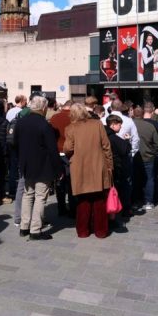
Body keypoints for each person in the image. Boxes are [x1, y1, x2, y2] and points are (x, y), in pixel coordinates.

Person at [14, 95, 62, 240]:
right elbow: (52, 149)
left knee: (28, 195)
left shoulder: (21, 122)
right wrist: (58, 169)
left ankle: (24, 226)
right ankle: (35, 229)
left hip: (26, 164)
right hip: (42, 165)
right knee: (40, 197)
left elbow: (15, 144)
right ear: (43, 108)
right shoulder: (44, 125)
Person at [63, 104, 112, 238]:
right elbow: (106, 146)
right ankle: (101, 231)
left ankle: (83, 231)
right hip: (98, 166)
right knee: (99, 200)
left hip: (80, 167)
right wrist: (110, 166)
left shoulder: (70, 128)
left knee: (83, 201)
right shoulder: (97, 124)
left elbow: (67, 148)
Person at [49, 100, 74, 217]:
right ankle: (73, 206)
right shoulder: (73, 118)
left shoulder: (54, 117)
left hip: (57, 153)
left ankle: (61, 207)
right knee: (71, 181)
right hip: (70, 153)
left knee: (59, 181)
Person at [105, 115, 131, 218]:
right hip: (117, 167)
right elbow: (125, 150)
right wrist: (127, 141)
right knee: (119, 189)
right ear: (112, 125)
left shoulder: (104, 134)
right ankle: (117, 212)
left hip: (109, 166)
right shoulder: (113, 137)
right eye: (119, 125)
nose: (121, 127)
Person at [134, 111, 158, 211]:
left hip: (135, 156)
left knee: (135, 179)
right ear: (142, 115)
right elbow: (157, 142)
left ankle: (136, 201)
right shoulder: (149, 126)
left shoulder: (129, 124)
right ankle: (148, 201)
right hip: (148, 156)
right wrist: (152, 151)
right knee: (149, 179)